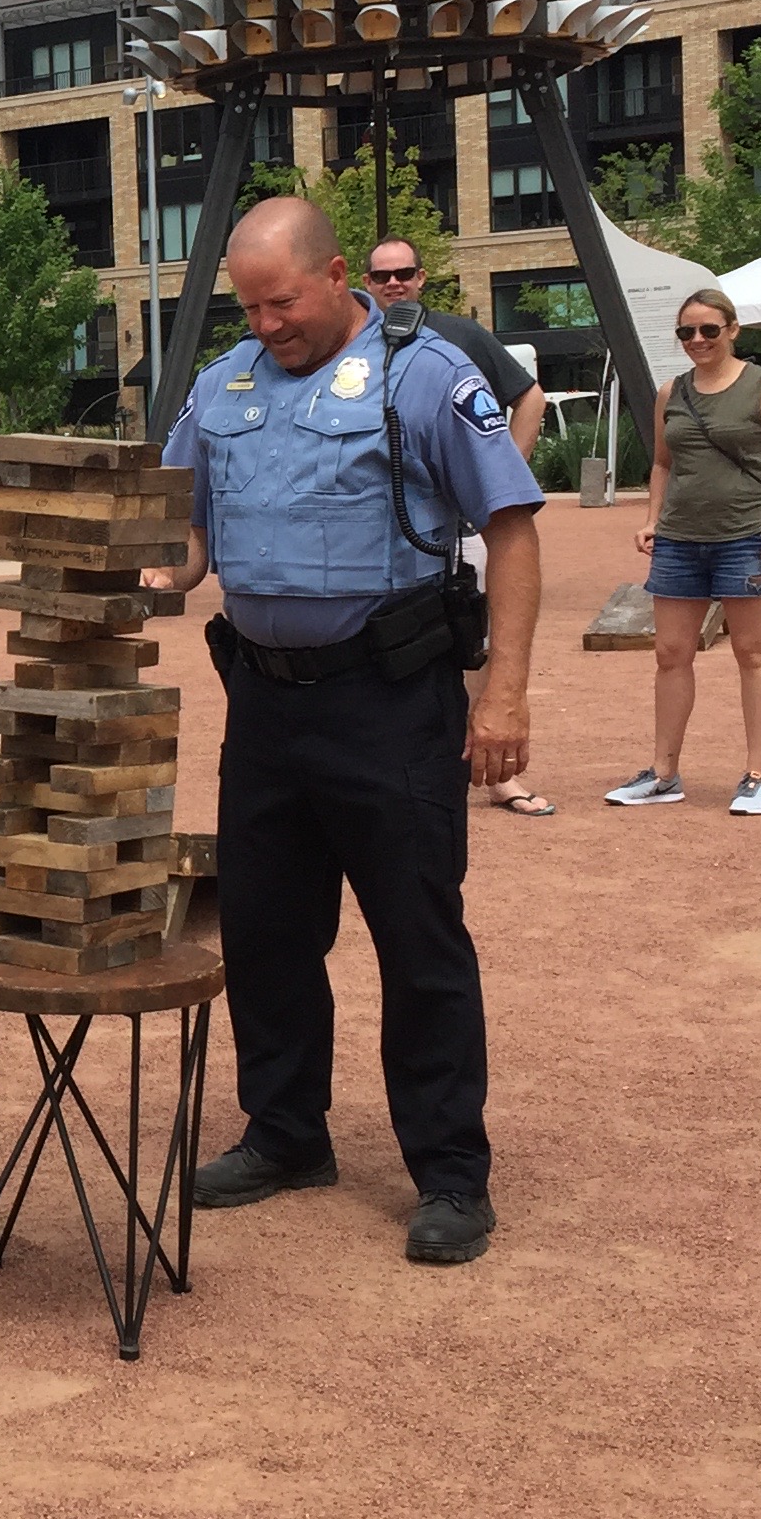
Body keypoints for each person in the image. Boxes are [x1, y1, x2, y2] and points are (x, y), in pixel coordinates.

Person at [147, 199, 543, 1269]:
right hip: (265, 705)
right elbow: (187, 520)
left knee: (419, 943)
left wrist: (503, 698)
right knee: (267, 936)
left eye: (281, 303)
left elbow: (510, 531)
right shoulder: (224, 384)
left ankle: (451, 1172)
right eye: (249, 305)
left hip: (391, 699)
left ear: (334, 278)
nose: (266, 325)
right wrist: (165, 575)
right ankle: (286, 1135)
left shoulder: (424, 377)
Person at [607, 288, 761, 816]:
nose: (697, 340)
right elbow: (661, 463)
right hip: (681, 537)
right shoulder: (670, 392)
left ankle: (757, 775)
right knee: (670, 653)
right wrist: (652, 519)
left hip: (749, 533)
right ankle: (663, 772)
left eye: (708, 330)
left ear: (732, 330)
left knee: (752, 652)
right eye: (686, 332)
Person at [364, 239, 553, 820]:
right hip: (388, 525)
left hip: (460, 522)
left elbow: (530, 398)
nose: (393, 284)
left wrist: (498, 482)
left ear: (421, 278)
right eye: (381, 276)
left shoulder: (460, 337)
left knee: (479, 641)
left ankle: (492, 773)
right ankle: (400, 769)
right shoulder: (353, 345)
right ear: (366, 282)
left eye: (403, 274)